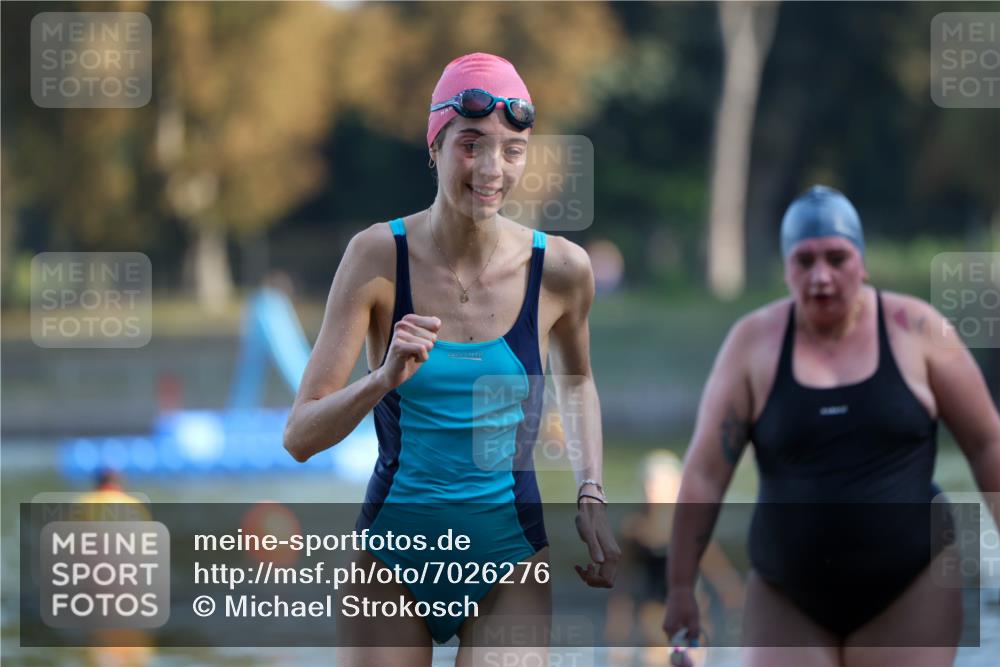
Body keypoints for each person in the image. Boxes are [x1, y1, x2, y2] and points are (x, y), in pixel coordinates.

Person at [283, 53, 620, 665]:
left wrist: (590, 492)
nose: (492, 168)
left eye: (512, 149)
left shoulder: (562, 270)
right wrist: (381, 379)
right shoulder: (376, 257)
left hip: (509, 554)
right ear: (434, 144)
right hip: (392, 558)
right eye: (472, 144)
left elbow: (576, 382)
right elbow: (300, 436)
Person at [663, 185, 1000, 666]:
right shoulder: (752, 344)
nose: (821, 276)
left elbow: (987, 442)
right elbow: (704, 474)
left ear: (861, 262)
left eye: (836, 258)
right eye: (805, 261)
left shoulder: (917, 329)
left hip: (910, 585)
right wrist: (679, 585)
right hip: (787, 594)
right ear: (785, 268)